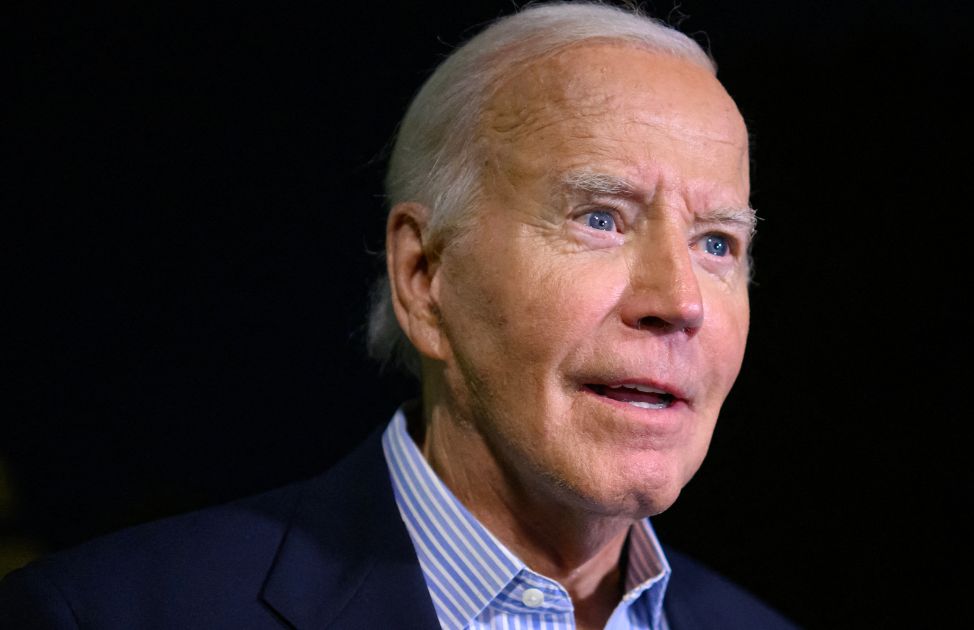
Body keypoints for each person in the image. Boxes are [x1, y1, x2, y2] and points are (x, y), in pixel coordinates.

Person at [0, 3, 796, 628]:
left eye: (717, 243)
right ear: (423, 275)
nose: (680, 301)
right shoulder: (107, 613)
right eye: (600, 218)